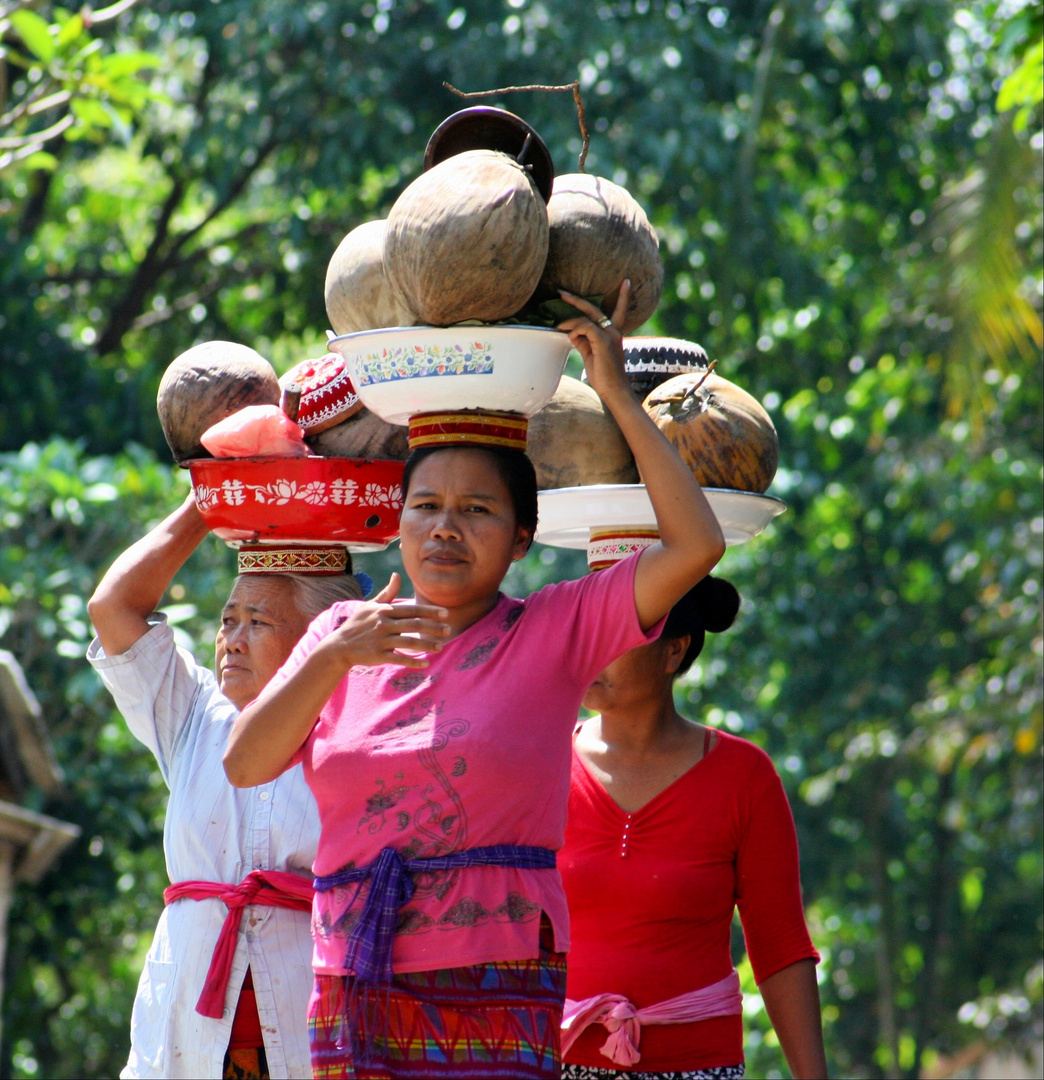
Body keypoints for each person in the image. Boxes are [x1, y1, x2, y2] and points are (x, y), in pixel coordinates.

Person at [222, 283, 728, 1080]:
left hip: (500, 975)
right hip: (353, 975)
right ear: (398, 525)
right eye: (424, 506)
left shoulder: (556, 629)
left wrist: (616, 397)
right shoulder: (340, 638)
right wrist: (330, 657)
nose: (446, 527)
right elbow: (244, 765)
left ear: (523, 536)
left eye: (477, 510)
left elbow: (695, 546)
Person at [87, 497, 365, 1079]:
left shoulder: (362, 729)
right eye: (226, 619)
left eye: (258, 622)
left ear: (321, 638)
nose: (232, 640)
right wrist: (213, 500)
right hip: (185, 1033)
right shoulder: (193, 714)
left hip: (312, 1027)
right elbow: (113, 607)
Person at [559, 573, 827, 1080]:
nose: (592, 648)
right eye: (587, 628)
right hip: (553, 1062)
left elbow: (779, 946)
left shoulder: (744, 777)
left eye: (616, 634)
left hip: (701, 1067)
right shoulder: (540, 764)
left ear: (673, 651)